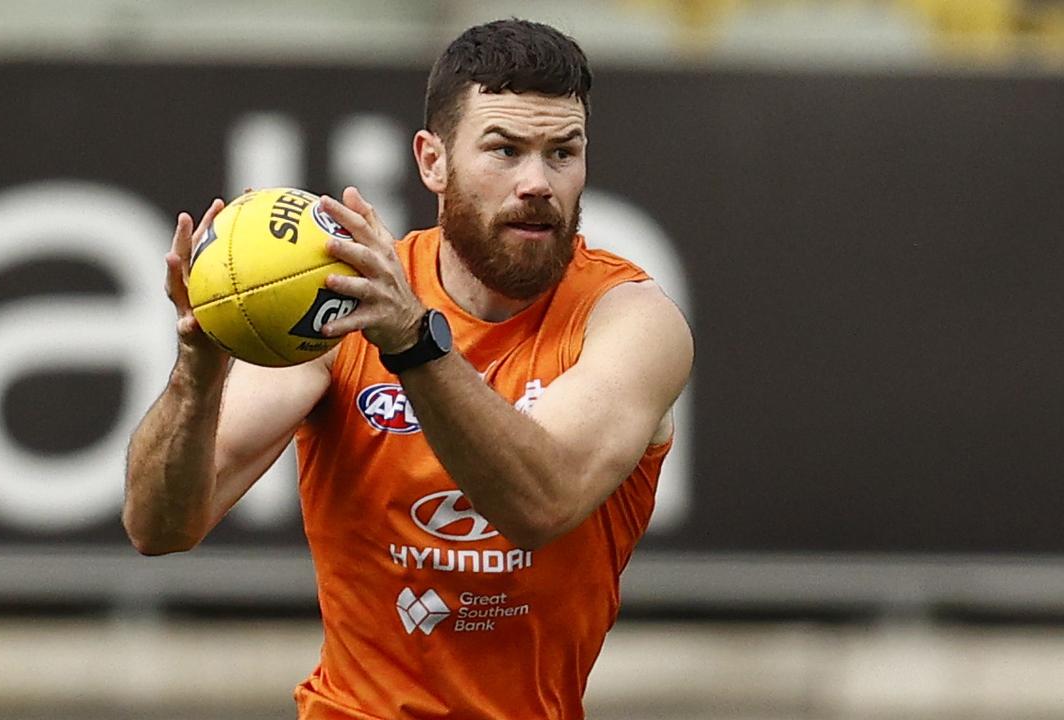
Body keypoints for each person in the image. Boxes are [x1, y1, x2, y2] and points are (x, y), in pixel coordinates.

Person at [124, 18, 693, 720]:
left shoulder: (631, 320)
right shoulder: (344, 309)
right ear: (432, 162)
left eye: (562, 152)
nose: (538, 183)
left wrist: (415, 345)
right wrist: (197, 371)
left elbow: (541, 504)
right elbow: (159, 526)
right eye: (504, 150)